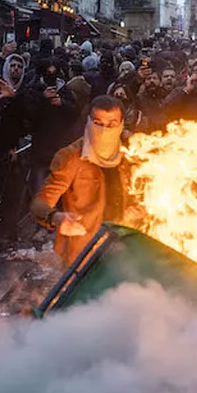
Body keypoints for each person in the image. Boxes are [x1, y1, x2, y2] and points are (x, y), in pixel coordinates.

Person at [31, 95, 134, 266]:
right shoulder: (70, 157)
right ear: (88, 122)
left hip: (126, 249)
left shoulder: (133, 152)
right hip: (83, 255)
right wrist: (57, 218)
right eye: (98, 123)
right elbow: (39, 205)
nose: (104, 130)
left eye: (111, 124)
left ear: (121, 125)